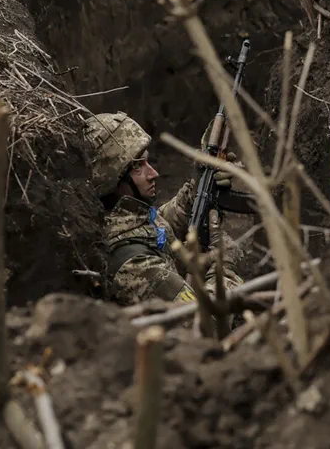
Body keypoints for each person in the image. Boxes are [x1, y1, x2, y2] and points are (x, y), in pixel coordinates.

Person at [85, 111, 243, 307]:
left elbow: (158, 227)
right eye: (137, 167)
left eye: (147, 161)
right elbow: (206, 322)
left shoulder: (123, 217)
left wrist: (197, 188)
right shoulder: (135, 265)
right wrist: (225, 269)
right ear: (112, 179)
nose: (154, 173)